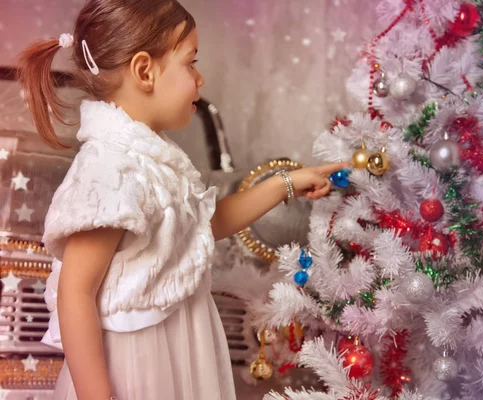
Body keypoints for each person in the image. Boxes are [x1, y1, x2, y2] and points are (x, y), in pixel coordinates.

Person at [17, 1, 349, 399]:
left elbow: (201, 227)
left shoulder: (153, 158)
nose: (200, 77)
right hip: (137, 367)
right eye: (190, 62)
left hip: (179, 352)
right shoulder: (112, 170)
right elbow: (76, 291)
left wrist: (285, 184)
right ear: (144, 71)